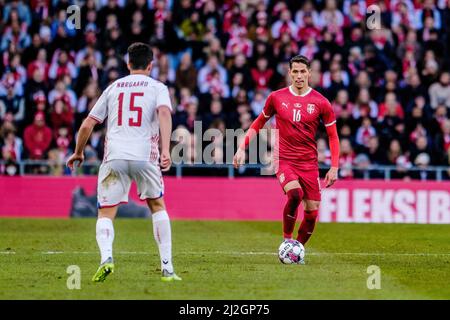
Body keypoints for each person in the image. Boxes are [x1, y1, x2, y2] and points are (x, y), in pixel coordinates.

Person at [66, 43, 181, 282]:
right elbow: (164, 113)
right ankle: (167, 269)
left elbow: (88, 123)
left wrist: (78, 152)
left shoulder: (113, 87)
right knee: (157, 207)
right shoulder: (158, 87)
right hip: (144, 157)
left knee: (106, 213)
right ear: (150, 65)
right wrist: (166, 149)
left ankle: (106, 258)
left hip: (114, 157)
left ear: (128, 64)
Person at [233, 55, 340, 264]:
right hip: (284, 159)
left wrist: (334, 166)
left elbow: (333, 136)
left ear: (309, 73)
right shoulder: (276, 97)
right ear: (289, 73)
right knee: (295, 194)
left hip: (309, 163)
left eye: (302, 71)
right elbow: (258, 123)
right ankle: (287, 241)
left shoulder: (321, 102)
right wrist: (241, 147)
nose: (299, 76)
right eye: (295, 71)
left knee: (311, 213)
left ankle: (296, 250)